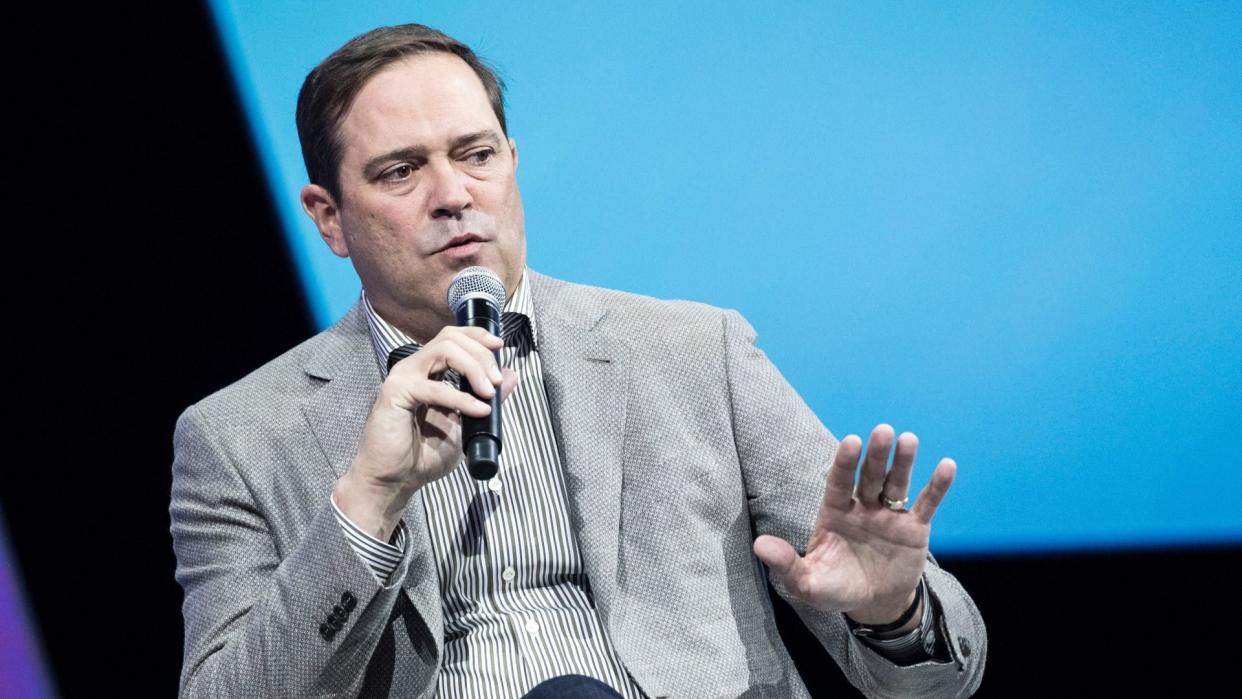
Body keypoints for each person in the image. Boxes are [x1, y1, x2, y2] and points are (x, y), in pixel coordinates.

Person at [170, 23, 987, 698]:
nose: (453, 194)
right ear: (329, 218)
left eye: (476, 155)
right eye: (401, 170)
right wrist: (366, 504)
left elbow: (938, 681)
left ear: (513, 164)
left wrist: (894, 613)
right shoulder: (238, 437)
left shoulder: (697, 354)